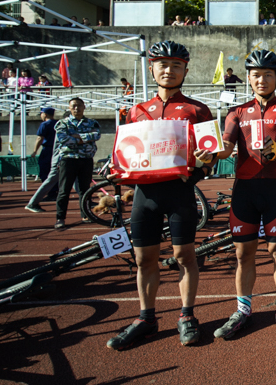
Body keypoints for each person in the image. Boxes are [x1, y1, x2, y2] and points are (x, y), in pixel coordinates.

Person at [106, 41, 216, 350]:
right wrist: (119, 171)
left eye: (176, 65)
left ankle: (187, 316)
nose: (169, 71)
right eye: (163, 65)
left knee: (184, 257)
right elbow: (126, 155)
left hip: (180, 193)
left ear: (186, 70)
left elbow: (212, 156)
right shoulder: (137, 111)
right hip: (145, 196)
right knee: (144, 259)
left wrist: (201, 165)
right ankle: (146, 318)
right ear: (152, 68)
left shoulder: (197, 110)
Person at [213, 50, 276, 340]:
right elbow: (226, 147)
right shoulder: (236, 112)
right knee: (243, 254)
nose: (262, 80)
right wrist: (210, 153)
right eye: (256, 75)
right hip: (245, 189)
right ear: (248, 78)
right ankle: (243, 309)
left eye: (268, 74)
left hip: (275, 187)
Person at [53, 98, 100, 229]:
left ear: (84, 107)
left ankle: (85, 214)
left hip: (86, 159)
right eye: (73, 106)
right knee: (64, 190)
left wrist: (76, 137)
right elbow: (63, 139)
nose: (76, 108)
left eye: (79, 106)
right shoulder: (63, 123)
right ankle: (60, 218)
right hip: (69, 159)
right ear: (69, 108)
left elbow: (96, 135)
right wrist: (85, 138)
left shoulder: (92, 123)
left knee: (85, 189)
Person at [31, 108, 57, 184]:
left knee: (45, 169)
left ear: (45, 114)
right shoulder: (58, 123)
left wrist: (35, 151)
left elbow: (40, 138)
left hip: (48, 149)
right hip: (57, 149)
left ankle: (49, 190)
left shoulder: (45, 124)